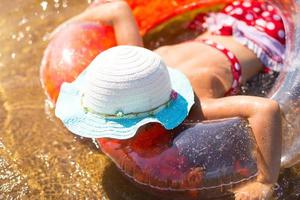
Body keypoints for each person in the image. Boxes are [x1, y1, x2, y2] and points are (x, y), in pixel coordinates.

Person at [53, 0, 284, 199]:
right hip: (234, 17)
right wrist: (70, 27)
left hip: (268, 36)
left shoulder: (194, 105)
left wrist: (265, 180)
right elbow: (119, 10)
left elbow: (267, 109)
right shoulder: (139, 67)